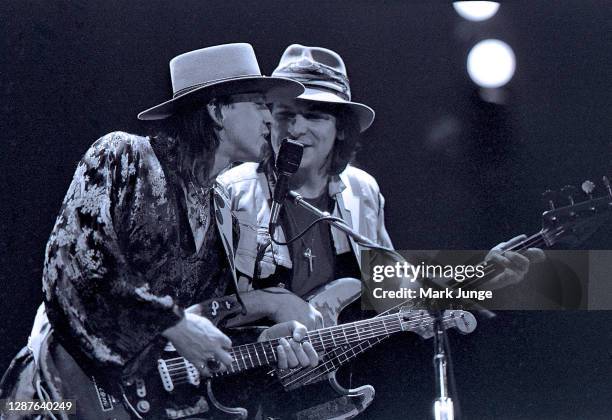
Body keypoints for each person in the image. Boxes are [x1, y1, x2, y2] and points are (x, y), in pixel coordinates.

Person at [217, 44, 545, 418]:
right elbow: (205, 306)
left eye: (315, 115)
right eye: (286, 114)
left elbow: (395, 296)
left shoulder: (362, 191)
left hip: (323, 393)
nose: (296, 128)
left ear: (341, 129)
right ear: (268, 120)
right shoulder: (231, 192)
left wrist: (480, 277)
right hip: (243, 385)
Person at [0, 43, 320, 417]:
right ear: (217, 110)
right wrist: (173, 324)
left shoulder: (222, 210)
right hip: (54, 395)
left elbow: (205, 323)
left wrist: (263, 342)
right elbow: (72, 266)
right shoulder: (122, 156)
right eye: (260, 104)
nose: (272, 120)